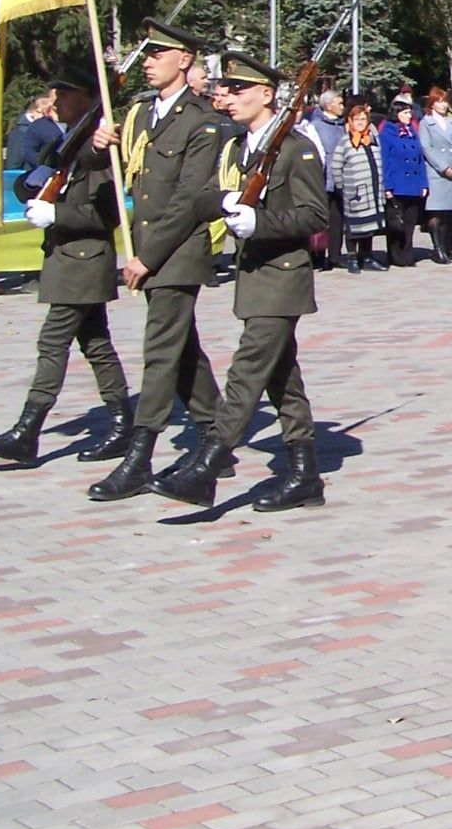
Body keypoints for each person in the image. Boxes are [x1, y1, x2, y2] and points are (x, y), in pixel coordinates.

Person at [152, 52, 328, 512]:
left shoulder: (295, 147)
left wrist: (261, 221)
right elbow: (203, 197)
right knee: (281, 380)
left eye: (238, 91)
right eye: (225, 90)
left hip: (282, 279)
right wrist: (228, 200)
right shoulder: (236, 148)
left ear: (267, 96)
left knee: (247, 372)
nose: (227, 99)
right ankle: (306, 476)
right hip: (253, 278)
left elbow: (314, 214)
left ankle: (207, 466)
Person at [85, 20, 223, 501]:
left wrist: (147, 256)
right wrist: (100, 145)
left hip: (177, 251)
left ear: (183, 61)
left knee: (161, 348)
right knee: (182, 348)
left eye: (156, 55)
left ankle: (140, 456)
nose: (146, 63)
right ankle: (215, 434)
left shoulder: (202, 120)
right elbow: (127, 174)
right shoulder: (141, 114)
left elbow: (188, 199)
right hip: (146, 246)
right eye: (146, 56)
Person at [0, 66, 132, 467]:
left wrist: (56, 215)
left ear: (84, 98)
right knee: (96, 345)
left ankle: (27, 430)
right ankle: (121, 423)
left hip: (83, 260)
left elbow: (105, 214)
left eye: (63, 93)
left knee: (52, 342)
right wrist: (29, 187)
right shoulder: (67, 141)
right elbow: (36, 178)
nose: (54, 101)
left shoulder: (99, 149)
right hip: (67, 259)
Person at [327, 98, 387, 272]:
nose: (360, 123)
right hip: (354, 193)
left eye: (363, 119)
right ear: (350, 122)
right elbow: (336, 166)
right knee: (354, 227)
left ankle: (366, 256)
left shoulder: (372, 139)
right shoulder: (345, 142)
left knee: (369, 227)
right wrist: (343, 187)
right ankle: (352, 257)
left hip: (372, 191)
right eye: (357, 120)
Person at [378, 97, 427, 266]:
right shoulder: (386, 134)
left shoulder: (412, 133)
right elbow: (384, 162)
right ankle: (395, 256)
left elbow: (420, 160)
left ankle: (407, 254)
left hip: (413, 185)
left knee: (410, 222)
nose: (409, 115)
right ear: (397, 114)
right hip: (397, 184)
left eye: (410, 112)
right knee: (395, 223)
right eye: (405, 112)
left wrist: (423, 183)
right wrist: (387, 186)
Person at [418, 87, 452, 262]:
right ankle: (437, 248)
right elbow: (426, 148)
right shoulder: (426, 122)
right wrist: (444, 167)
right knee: (436, 211)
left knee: (448, 213)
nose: (442, 105)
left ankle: (446, 247)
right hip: (436, 172)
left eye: (445, 101)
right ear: (432, 103)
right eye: (439, 101)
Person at [307, 91, 347, 270]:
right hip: (323, 180)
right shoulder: (316, 126)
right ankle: (317, 255)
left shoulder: (342, 125)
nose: (342, 106)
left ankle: (335, 256)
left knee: (337, 219)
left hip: (341, 179)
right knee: (321, 219)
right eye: (339, 103)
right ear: (329, 105)